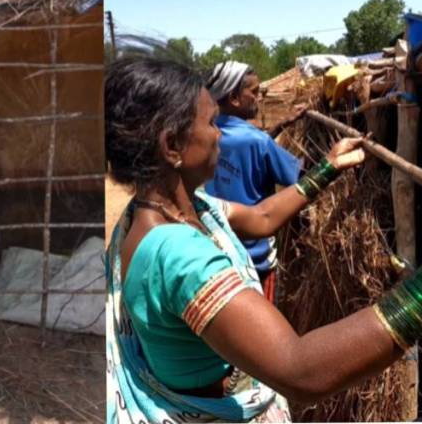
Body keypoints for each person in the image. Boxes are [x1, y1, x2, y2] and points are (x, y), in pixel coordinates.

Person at [105, 57, 420, 423]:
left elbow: (261, 218)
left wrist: (328, 168)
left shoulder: (165, 211)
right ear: (172, 145)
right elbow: (300, 370)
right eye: (210, 122)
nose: (219, 133)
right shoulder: (178, 255)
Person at [204, 61, 300, 302]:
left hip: (215, 251)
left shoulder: (206, 134)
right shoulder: (258, 141)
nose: (259, 98)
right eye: (255, 92)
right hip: (254, 258)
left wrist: (280, 126)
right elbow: (298, 177)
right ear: (235, 97)